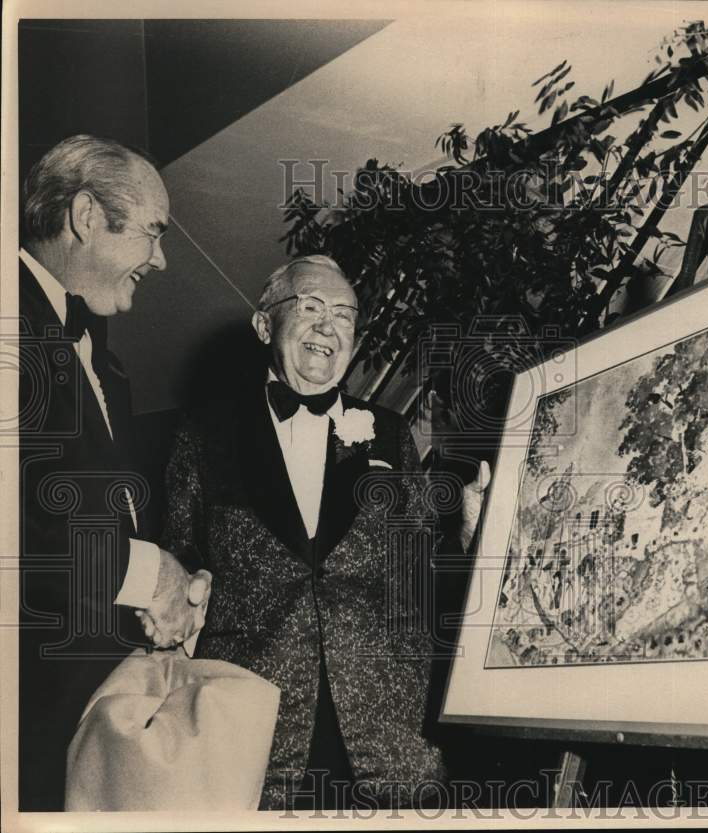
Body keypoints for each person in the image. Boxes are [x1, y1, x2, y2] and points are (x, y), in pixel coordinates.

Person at [158, 255, 488, 810]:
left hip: (387, 735)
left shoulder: (389, 431)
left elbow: (421, 580)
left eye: (344, 313)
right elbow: (176, 568)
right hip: (254, 738)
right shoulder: (202, 435)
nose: (328, 324)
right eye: (309, 306)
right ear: (265, 325)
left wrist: (468, 540)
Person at [18, 135, 210, 811]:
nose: (161, 259)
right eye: (153, 233)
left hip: (99, 741)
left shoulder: (112, 369)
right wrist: (146, 572)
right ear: (87, 216)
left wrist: (169, 596)